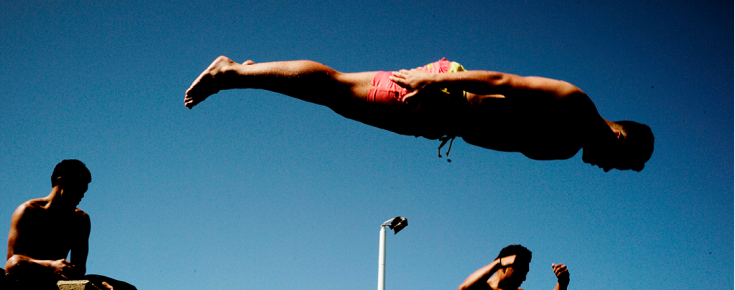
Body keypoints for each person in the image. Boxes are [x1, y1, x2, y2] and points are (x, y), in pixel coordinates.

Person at [185, 56, 653, 171]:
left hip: (439, 119)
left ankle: (254, 73)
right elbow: (504, 84)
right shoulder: (576, 106)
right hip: (442, 96)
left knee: (336, 98)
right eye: (622, 163)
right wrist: (436, 81)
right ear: (622, 138)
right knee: (337, 88)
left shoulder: (568, 148)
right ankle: (233, 72)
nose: (611, 169)